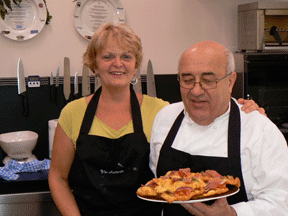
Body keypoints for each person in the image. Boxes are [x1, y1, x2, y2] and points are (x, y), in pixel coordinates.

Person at [48, 23, 265, 216]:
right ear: (94, 63)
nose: (118, 63)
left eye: (126, 56)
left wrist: (246, 112)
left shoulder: (162, 112)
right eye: (107, 56)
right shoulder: (73, 113)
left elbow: (207, 117)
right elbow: (58, 177)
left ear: (135, 64)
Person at [149, 41, 288, 216]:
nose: (196, 90)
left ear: (230, 82)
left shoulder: (260, 130)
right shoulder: (165, 118)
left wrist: (232, 214)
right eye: (187, 80)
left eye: (208, 81)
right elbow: (158, 185)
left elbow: (281, 203)